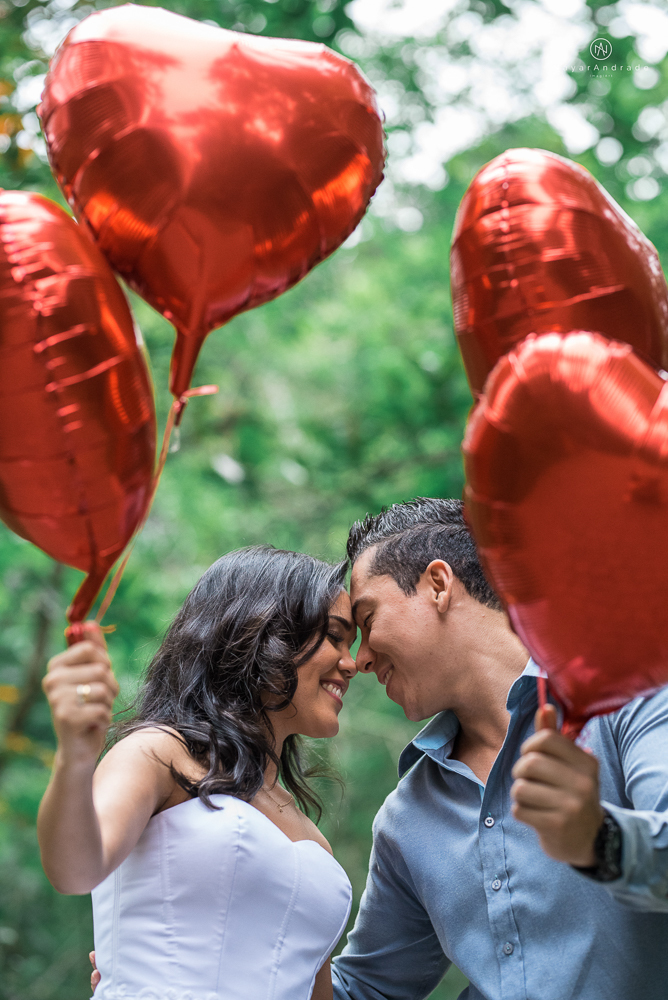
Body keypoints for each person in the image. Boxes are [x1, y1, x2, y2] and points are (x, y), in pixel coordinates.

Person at [331, 497, 668, 1000]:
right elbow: (367, 990)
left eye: (367, 618)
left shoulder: (627, 694)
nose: (360, 660)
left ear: (438, 586)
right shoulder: (406, 817)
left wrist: (599, 840)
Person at [38, 545, 357, 1000]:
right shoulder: (159, 754)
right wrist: (74, 755)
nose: (351, 663)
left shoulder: (314, 839)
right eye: (335, 636)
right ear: (264, 632)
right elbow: (74, 870)